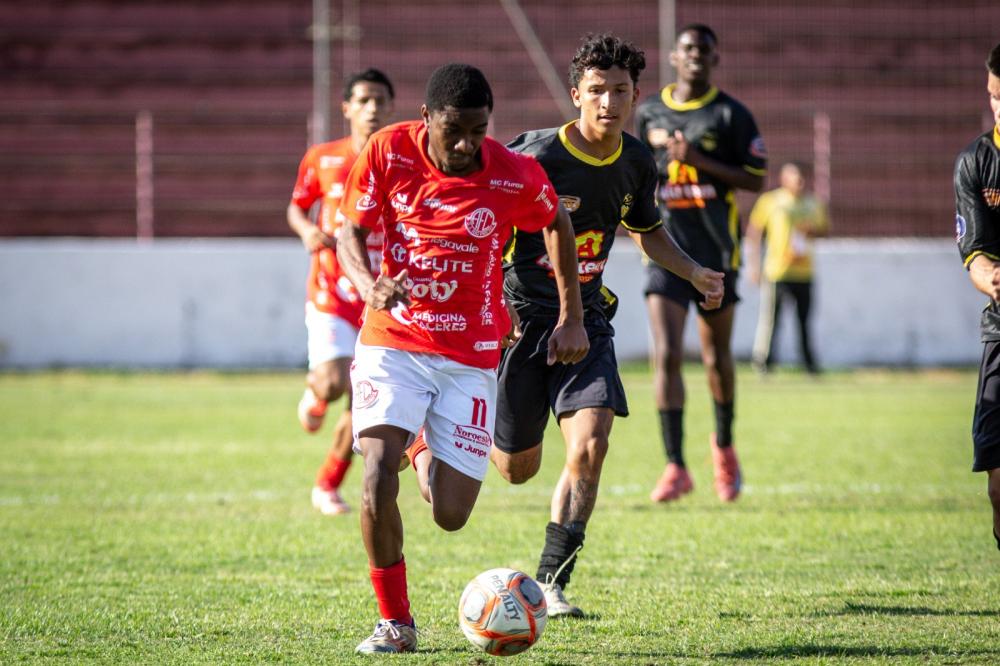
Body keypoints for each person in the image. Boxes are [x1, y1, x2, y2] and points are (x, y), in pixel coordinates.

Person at [335, 63, 590, 653]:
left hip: (471, 354)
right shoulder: (388, 150)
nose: (466, 144)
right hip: (394, 339)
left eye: (478, 130)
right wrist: (368, 282)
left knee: (451, 514)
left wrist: (570, 316)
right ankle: (395, 622)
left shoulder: (511, 173)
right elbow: (349, 230)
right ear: (426, 119)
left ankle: (418, 441)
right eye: (454, 130)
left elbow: (556, 222)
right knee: (375, 471)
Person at [490, 33, 724, 618]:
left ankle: (550, 582)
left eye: (620, 91)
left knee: (591, 445)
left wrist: (695, 272)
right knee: (516, 469)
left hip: (588, 321)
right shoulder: (536, 156)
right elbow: (488, 229)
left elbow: (647, 231)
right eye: (596, 91)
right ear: (576, 95)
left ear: (636, 94)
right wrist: (488, 306)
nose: (608, 103)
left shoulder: (639, 161)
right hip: (522, 324)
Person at [635, 23, 766, 504]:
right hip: (665, 251)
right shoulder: (648, 110)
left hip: (716, 254)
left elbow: (754, 179)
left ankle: (725, 449)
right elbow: (636, 173)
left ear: (715, 58)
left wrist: (698, 161)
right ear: (674, 56)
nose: (695, 56)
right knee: (666, 353)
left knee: (715, 358)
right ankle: (675, 465)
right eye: (688, 49)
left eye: (704, 51)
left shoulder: (730, 115)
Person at [287, 69, 395, 516]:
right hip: (331, 290)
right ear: (346, 107)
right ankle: (316, 393)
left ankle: (327, 485)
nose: (372, 109)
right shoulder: (323, 157)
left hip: (377, 297)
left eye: (380, 101)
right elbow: (297, 205)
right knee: (333, 382)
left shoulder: (400, 161)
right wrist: (307, 231)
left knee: (365, 404)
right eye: (364, 100)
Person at [954, 41, 1000, 553]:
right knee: (997, 485)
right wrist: (991, 276)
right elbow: (977, 256)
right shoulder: (976, 161)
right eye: (994, 96)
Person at [746, 161, 828, 375]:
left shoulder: (813, 203)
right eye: (795, 178)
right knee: (771, 321)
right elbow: (754, 234)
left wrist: (812, 232)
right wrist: (753, 266)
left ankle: (809, 365)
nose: (799, 183)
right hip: (777, 272)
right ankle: (764, 363)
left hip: (804, 272)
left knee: (804, 322)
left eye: (802, 179)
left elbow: (824, 230)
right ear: (784, 179)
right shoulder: (771, 201)